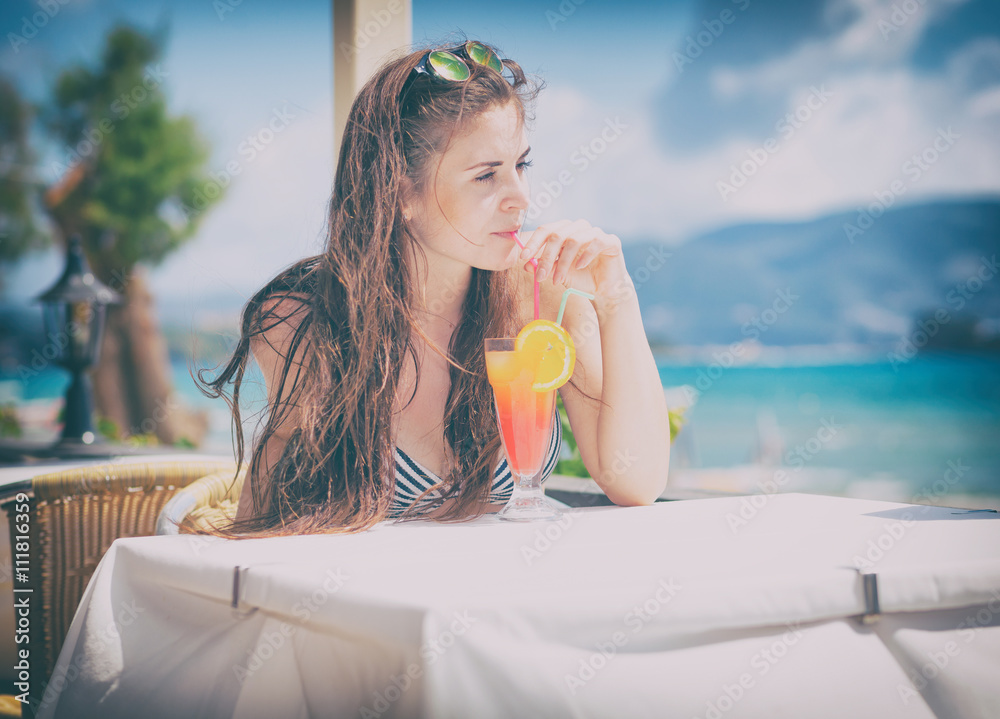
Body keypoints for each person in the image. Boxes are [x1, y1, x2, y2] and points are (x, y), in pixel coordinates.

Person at [200, 38, 671, 536]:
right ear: (400, 191)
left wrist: (617, 296)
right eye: (486, 175)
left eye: (521, 165)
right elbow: (262, 523)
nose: (521, 197)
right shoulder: (301, 320)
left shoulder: (542, 296)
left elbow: (635, 482)